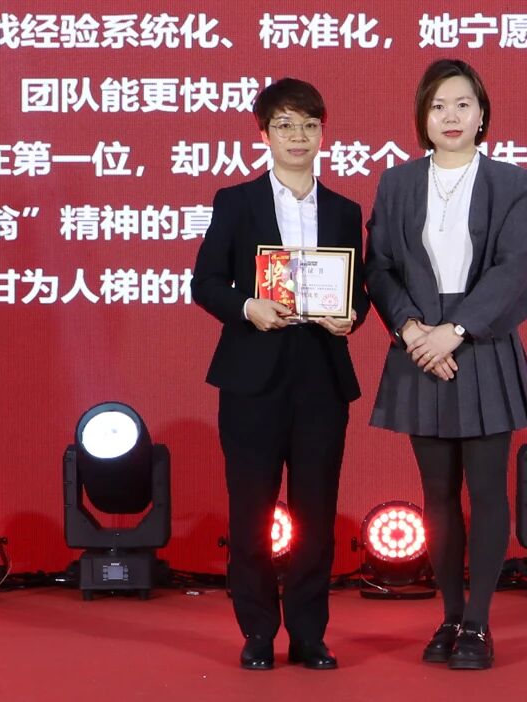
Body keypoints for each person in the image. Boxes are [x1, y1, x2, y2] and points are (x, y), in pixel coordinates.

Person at [365, 59, 527, 670]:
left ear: (482, 114)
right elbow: (379, 266)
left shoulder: (509, 181)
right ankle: (449, 615)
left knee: (487, 490)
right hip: (419, 345)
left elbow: (512, 268)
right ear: (423, 116)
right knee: (437, 494)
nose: (451, 116)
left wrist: (455, 331)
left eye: (463, 104)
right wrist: (413, 330)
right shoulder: (397, 183)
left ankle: (479, 623)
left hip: (482, 343)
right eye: (438, 105)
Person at [191, 78, 368, 671]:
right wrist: (248, 306)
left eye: (309, 125)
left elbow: (359, 290)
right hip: (252, 380)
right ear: (263, 133)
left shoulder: (344, 210)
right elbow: (205, 283)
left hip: (321, 379)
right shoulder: (236, 202)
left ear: (322, 134)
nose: (299, 136)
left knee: (316, 514)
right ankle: (259, 632)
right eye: (286, 125)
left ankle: (310, 635)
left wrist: (351, 315)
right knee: (251, 514)